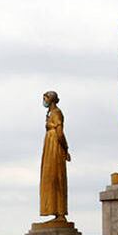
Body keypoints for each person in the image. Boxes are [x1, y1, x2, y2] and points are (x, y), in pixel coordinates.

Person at [38, 91, 70, 220]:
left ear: (51, 100)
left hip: (55, 146)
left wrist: (65, 149)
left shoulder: (57, 113)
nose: (43, 101)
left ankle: (60, 212)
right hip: (50, 145)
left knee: (56, 176)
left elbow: (60, 133)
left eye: (45, 98)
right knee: (49, 177)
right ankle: (55, 210)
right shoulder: (51, 113)